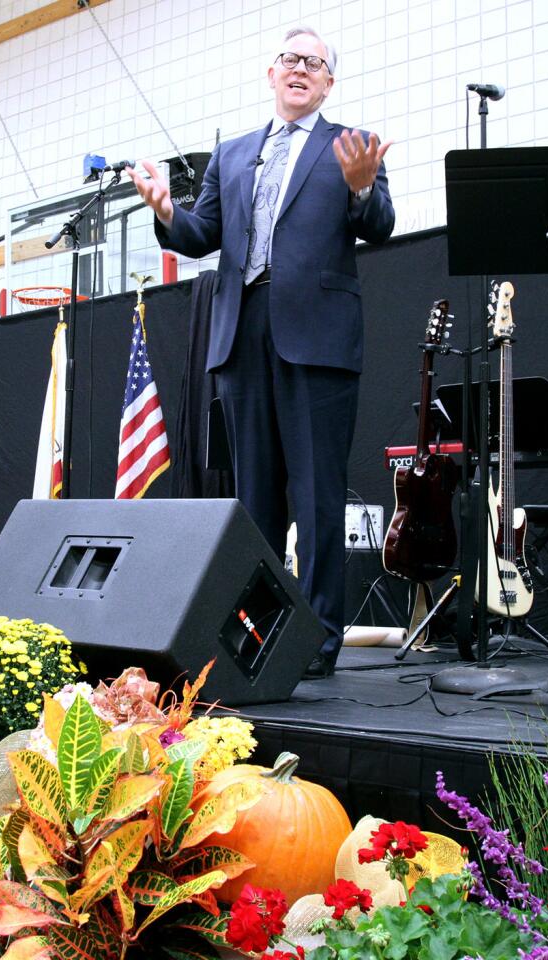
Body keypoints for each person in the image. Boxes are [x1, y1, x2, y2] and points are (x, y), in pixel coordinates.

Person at [129, 26, 394, 679]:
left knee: (317, 495)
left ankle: (321, 638)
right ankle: (258, 634)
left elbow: (379, 226)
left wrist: (360, 189)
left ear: (328, 81)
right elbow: (199, 236)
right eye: (290, 59)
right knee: (255, 501)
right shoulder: (234, 154)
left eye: (315, 63)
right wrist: (165, 210)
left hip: (317, 338)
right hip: (241, 334)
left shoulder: (350, 147)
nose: (300, 69)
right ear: (271, 73)